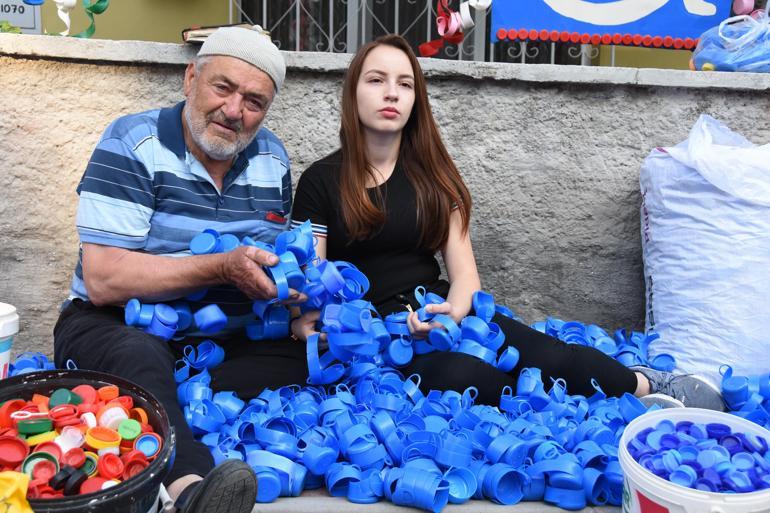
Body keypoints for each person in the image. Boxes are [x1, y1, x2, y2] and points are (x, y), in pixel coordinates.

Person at [289, 34, 725, 411]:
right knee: (467, 375)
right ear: (353, 93)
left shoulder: (435, 178)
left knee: (548, 355)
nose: (391, 94)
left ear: (416, 99)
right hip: (372, 337)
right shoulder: (320, 182)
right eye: (376, 80)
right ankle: (540, 407)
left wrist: (449, 316)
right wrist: (323, 321)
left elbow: (465, 277)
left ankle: (646, 384)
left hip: (440, 308)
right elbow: (314, 287)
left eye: (405, 84)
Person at [54, 27, 308, 513]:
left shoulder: (272, 159)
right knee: (140, 357)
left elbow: (272, 261)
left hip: (218, 341)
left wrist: (291, 297)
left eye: (254, 101)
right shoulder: (133, 142)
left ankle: (167, 404)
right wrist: (220, 267)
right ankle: (192, 486)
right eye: (223, 88)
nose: (234, 111)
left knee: (302, 360)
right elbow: (105, 279)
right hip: (114, 321)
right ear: (191, 78)